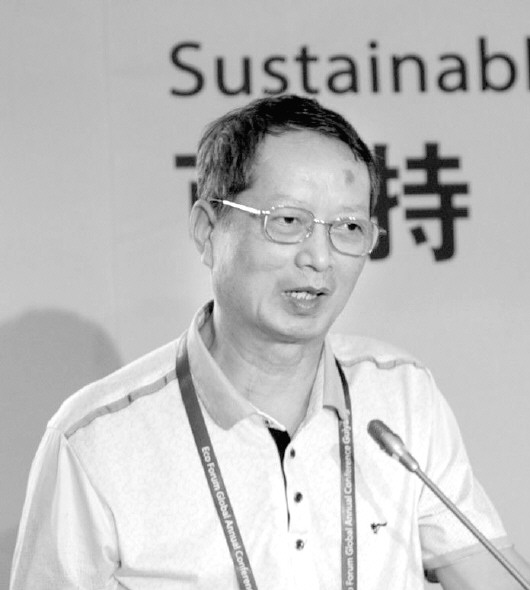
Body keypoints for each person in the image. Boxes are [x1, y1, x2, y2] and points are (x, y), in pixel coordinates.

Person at [10, 95, 529, 590]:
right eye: (287, 222)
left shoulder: (400, 396)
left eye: (349, 227)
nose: (319, 258)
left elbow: (488, 573)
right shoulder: (96, 441)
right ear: (207, 230)